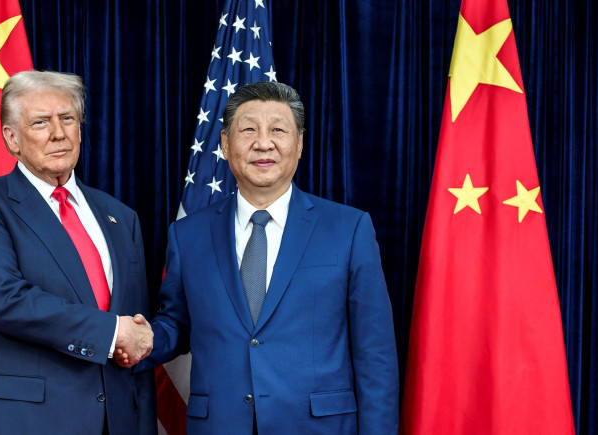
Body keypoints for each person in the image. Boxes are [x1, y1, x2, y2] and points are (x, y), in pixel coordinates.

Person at [128, 81, 399, 434]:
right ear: (225, 143)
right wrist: (142, 340)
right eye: (249, 130)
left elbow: (375, 354)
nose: (263, 143)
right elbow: (178, 324)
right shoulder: (188, 235)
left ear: (299, 143)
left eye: (278, 130)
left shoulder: (348, 229)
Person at [0, 70, 156, 435]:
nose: (58, 133)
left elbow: (134, 336)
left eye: (68, 119)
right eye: (41, 122)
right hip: (18, 422)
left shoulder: (121, 217)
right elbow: (2, 299)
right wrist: (112, 332)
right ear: (12, 138)